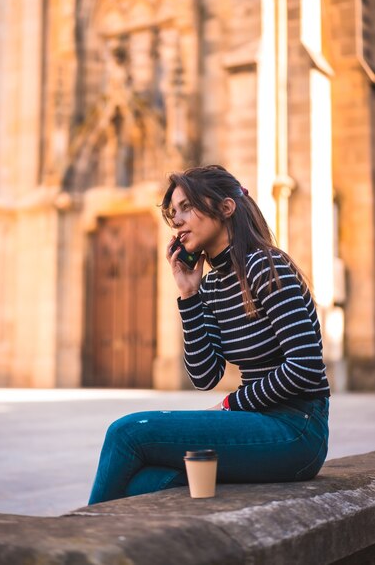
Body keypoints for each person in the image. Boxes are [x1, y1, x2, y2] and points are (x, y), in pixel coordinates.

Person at [88, 165, 330, 504]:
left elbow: (304, 367)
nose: (177, 221)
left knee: (127, 432)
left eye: (187, 207)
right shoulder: (213, 285)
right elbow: (205, 375)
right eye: (173, 213)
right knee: (141, 484)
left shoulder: (268, 266)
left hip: (297, 428)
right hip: (254, 422)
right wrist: (189, 295)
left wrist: (231, 404)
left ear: (225, 208)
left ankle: (80, 544)